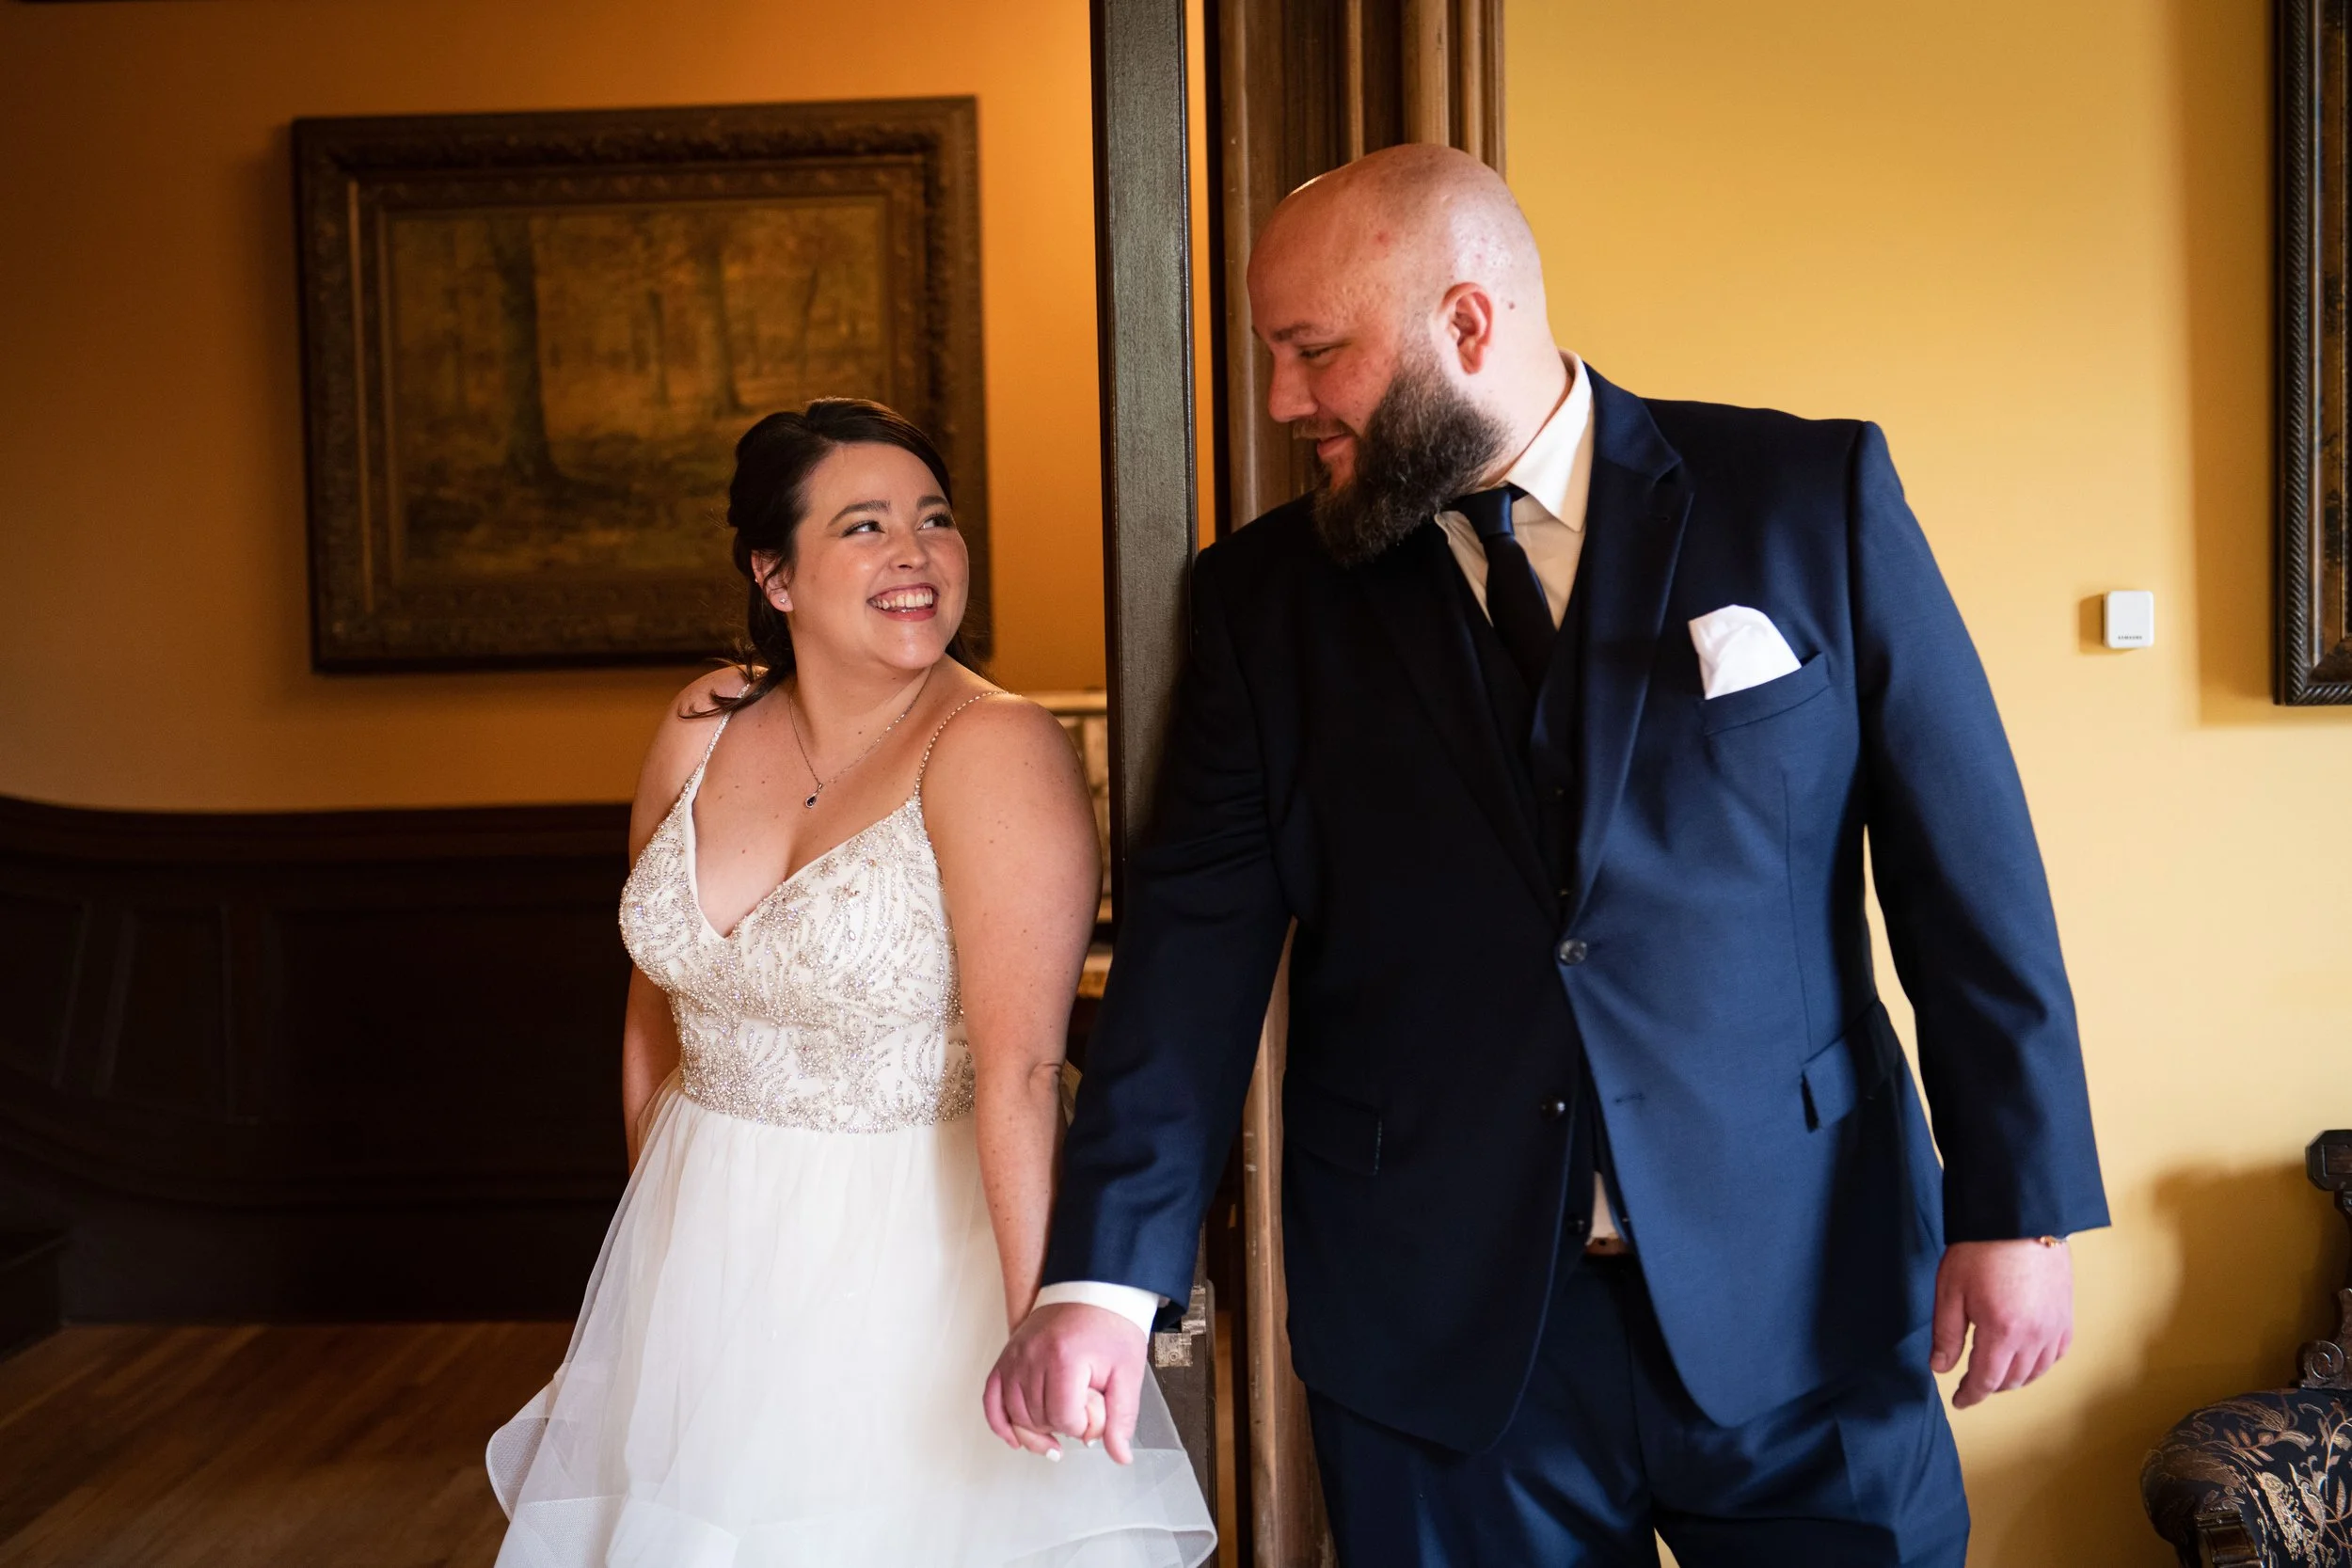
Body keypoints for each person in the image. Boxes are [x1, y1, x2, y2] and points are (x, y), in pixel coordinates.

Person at [989, 146, 2107, 1566]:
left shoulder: (1803, 492)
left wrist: (2020, 1207)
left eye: (1313, 351)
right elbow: (1190, 961)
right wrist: (1103, 1273)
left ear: (1468, 324)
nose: (1282, 402)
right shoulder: (1262, 604)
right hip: (1438, 1343)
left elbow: (1971, 876)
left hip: (1803, 1289)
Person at [488, 399, 1215, 1567]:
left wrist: (1037, 1316)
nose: (915, 554)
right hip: (705, 1249)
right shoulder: (701, 724)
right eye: (865, 526)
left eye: (934, 520)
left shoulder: (994, 745)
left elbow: (1024, 1070)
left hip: (911, 1258)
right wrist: (657, 1265)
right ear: (774, 573)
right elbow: (654, 1004)